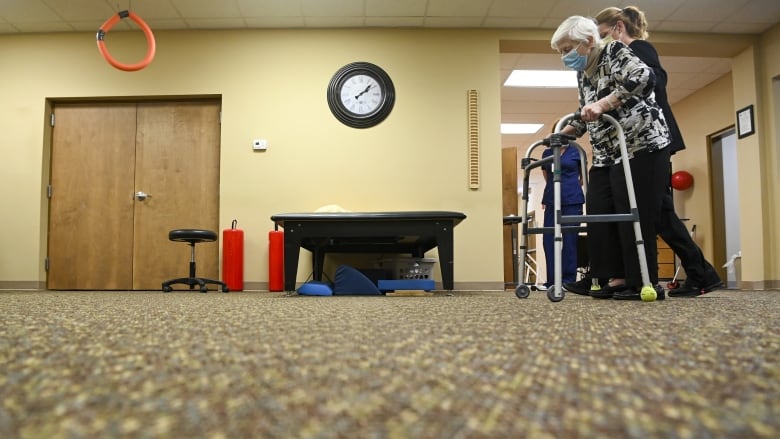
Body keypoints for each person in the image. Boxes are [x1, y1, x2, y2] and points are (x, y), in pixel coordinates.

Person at [594, 6, 723, 297]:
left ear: (617, 28)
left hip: (653, 140)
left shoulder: (639, 48)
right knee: (663, 213)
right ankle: (702, 274)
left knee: (654, 212)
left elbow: (652, 84)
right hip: (646, 141)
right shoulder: (622, 55)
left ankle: (667, 277)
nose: (603, 43)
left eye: (603, 35)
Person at [551, 15, 671, 300]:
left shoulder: (614, 52)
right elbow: (585, 114)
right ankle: (611, 277)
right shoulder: (584, 73)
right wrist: (563, 134)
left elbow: (645, 77)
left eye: (567, 48)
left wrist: (605, 102)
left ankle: (642, 281)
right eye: (560, 52)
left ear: (589, 41)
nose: (565, 56)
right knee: (599, 211)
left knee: (634, 214)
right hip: (607, 152)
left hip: (643, 145)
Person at [539, 133, 585, 290]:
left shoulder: (577, 151)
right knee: (548, 239)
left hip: (572, 200)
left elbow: (582, 176)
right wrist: (553, 191)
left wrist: (570, 187)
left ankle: (568, 280)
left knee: (570, 240)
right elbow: (547, 176)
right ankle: (552, 280)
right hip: (552, 199)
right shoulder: (547, 153)